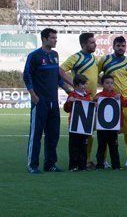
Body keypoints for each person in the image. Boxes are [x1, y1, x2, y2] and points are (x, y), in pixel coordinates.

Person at [25, 28, 68, 173]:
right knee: (36, 134)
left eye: (56, 38)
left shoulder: (55, 55)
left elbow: (57, 77)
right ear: (44, 39)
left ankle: (50, 164)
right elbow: (26, 76)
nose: (55, 40)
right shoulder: (34, 56)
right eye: (52, 38)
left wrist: (67, 89)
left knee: (53, 134)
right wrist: (32, 94)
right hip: (40, 101)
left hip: (54, 102)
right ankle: (33, 165)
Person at [98, 36, 127, 168]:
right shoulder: (105, 60)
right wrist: (105, 89)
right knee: (106, 134)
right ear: (113, 46)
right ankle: (103, 161)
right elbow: (97, 74)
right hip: (108, 103)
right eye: (118, 46)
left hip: (124, 101)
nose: (121, 48)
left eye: (123, 46)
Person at [60, 33, 98, 169]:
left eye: (95, 42)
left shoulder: (94, 58)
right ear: (83, 44)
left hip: (90, 101)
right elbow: (60, 70)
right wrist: (73, 84)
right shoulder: (76, 57)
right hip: (81, 103)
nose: (95, 44)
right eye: (92, 42)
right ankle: (79, 162)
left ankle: (86, 160)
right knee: (78, 136)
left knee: (89, 133)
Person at [94, 74, 122, 170]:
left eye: (111, 83)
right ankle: (100, 165)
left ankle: (116, 166)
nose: (109, 85)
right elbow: (92, 109)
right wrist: (95, 104)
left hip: (113, 127)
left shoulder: (116, 96)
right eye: (107, 83)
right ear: (102, 84)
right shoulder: (98, 96)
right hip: (102, 127)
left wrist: (119, 126)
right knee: (101, 146)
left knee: (114, 147)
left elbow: (119, 112)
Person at [64, 74, 91, 171]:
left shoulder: (88, 95)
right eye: (82, 84)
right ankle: (73, 166)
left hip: (84, 125)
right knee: (74, 146)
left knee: (84, 146)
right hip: (74, 125)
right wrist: (69, 102)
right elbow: (66, 109)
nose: (85, 86)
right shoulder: (72, 95)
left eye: (85, 84)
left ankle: (82, 165)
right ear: (75, 86)